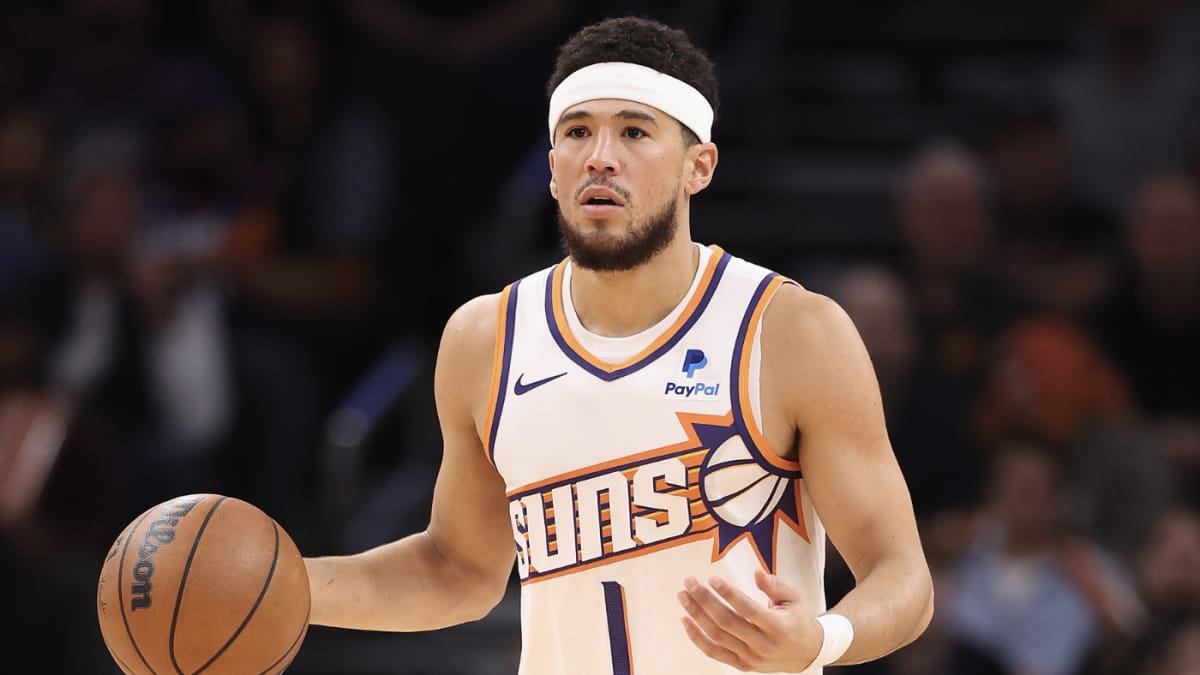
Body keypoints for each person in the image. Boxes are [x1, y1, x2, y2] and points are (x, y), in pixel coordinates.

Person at [303, 15, 934, 674]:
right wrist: (286, 582)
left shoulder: (791, 331)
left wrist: (823, 638)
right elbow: (455, 568)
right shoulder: (485, 338)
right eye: (578, 131)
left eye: (634, 131)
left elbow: (903, 577)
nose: (600, 156)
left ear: (699, 166)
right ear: (553, 170)